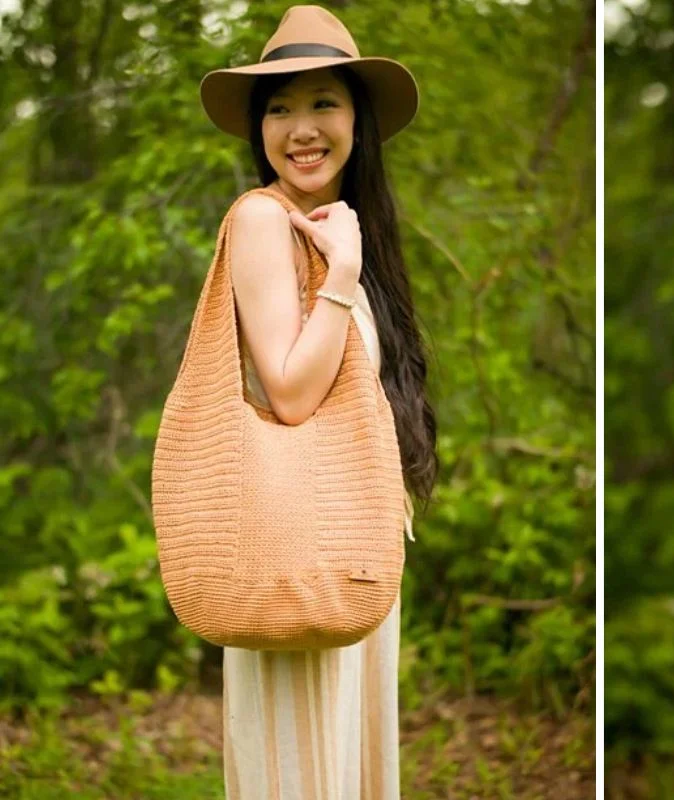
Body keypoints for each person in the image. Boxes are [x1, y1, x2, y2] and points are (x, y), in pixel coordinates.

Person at [197, 6, 436, 798]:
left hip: (348, 550)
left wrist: (347, 260)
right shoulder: (265, 219)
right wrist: (340, 274)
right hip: (298, 552)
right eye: (280, 106)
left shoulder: (336, 228)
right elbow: (293, 395)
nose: (302, 128)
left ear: (358, 122)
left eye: (323, 102)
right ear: (258, 129)